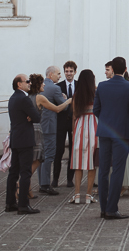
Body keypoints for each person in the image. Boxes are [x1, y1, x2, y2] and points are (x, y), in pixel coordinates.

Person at [93, 56, 129, 219]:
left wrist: (106, 121)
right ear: (126, 70)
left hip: (105, 131)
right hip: (122, 132)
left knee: (103, 170)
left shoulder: (102, 86)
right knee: (118, 170)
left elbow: (96, 109)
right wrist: (127, 121)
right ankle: (112, 208)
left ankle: (104, 208)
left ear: (112, 69)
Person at [5, 73, 42, 214]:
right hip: (25, 139)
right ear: (19, 84)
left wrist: (29, 116)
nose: (29, 83)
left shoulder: (12, 98)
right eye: (27, 81)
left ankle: (10, 203)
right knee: (25, 172)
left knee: (13, 172)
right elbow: (37, 117)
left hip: (15, 139)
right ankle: (23, 205)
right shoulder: (24, 99)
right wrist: (31, 116)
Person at [37, 68, 72, 195]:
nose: (60, 76)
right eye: (58, 74)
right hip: (50, 127)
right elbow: (63, 107)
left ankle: (42, 182)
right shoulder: (55, 88)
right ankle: (45, 184)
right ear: (51, 74)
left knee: (40, 156)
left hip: (39, 125)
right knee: (49, 155)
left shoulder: (39, 87)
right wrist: (66, 99)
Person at [70, 69, 99, 204]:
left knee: (78, 162)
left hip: (80, 126)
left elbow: (75, 114)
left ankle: (76, 195)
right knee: (92, 162)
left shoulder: (77, 95)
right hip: (93, 125)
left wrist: (73, 131)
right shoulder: (96, 94)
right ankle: (88, 195)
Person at [54, 60, 78, 188]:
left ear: (75, 72)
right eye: (66, 71)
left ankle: (70, 179)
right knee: (59, 150)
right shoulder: (58, 86)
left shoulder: (79, 85)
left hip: (75, 122)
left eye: (71, 71)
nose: (68, 73)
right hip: (61, 122)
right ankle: (55, 179)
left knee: (73, 151)